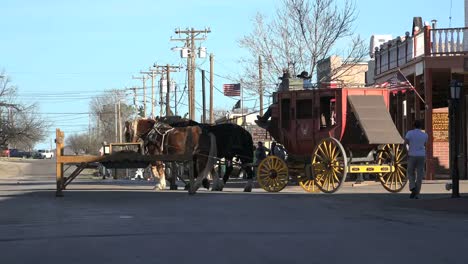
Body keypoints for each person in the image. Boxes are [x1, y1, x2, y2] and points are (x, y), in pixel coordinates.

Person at [405, 120, 428, 199]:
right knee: (420, 174)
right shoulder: (425, 135)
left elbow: (406, 142)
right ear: (421, 126)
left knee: (410, 172)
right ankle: (417, 193)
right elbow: (425, 145)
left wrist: (407, 152)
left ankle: (412, 187)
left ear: (413, 126)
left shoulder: (409, 133)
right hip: (421, 155)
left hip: (412, 155)